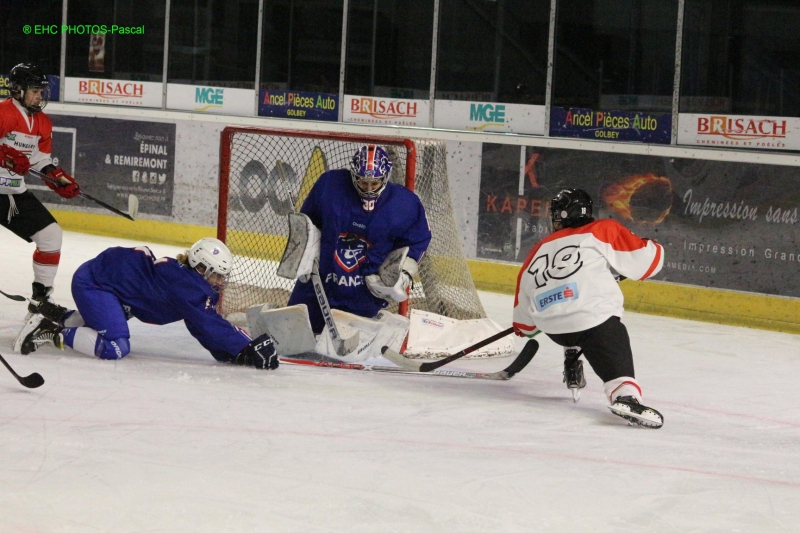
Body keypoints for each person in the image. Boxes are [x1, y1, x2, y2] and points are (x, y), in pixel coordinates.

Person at [512, 189, 665, 428]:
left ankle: (572, 354)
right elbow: (648, 262)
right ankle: (625, 395)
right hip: (593, 324)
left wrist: (530, 326)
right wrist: (652, 245)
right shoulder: (603, 229)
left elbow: (525, 325)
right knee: (602, 321)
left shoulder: (537, 249)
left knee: (574, 312)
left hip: (554, 330)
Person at [13, 238, 279, 370]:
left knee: (108, 323)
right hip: (96, 285)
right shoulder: (189, 285)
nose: (220, 282)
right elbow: (206, 322)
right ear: (200, 268)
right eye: (216, 274)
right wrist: (246, 347)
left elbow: (200, 324)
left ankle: (54, 314)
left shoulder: (184, 276)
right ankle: (46, 332)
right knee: (116, 346)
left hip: (105, 283)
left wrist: (232, 353)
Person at [286, 144, 432, 334]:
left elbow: (417, 239)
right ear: (353, 175)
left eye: (375, 183)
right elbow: (308, 222)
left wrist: (404, 272)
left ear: (385, 177)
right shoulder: (330, 185)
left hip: (365, 290)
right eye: (363, 182)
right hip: (320, 281)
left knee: (354, 339)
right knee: (293, 331)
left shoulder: (404, 203)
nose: (369, 189)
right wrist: (303, 254)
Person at [1, 63, 81, 317]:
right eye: (34, 91)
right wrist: (5, 155)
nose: (39, 96)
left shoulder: (43, 122)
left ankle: (40, 302)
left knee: (50, 237)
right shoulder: (3, 113)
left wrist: (56, 177)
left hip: (13, 193)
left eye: (41, 91)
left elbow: (39, 160)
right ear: (17, 89)